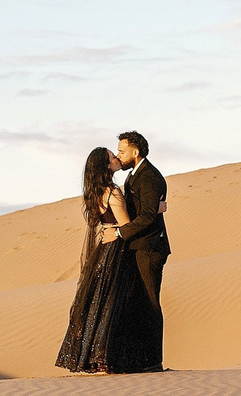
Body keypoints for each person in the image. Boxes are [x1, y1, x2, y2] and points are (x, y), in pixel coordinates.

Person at [56, 145, 163, 374]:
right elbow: (126, 224)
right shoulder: (113, 191)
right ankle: (106, 357)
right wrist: (156, 210)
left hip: (104, 250)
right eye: (113, 157)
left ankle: (95, 356)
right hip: (117, 250)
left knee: (101, 301)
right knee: (115, 304)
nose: (117, 158)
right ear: (106, 166)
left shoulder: (96, 191)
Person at [100, 129, 169, 365]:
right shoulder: (134, 175)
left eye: (122, 151)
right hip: (137, 246)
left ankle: (153, 361)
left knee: (150, 303)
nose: (119, 156)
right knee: (137, 303)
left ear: (135, 151)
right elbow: (145, 210)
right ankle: (140, 358)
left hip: (149, 248)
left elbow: (148, 216)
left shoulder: (149, 176)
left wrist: (119, 232)